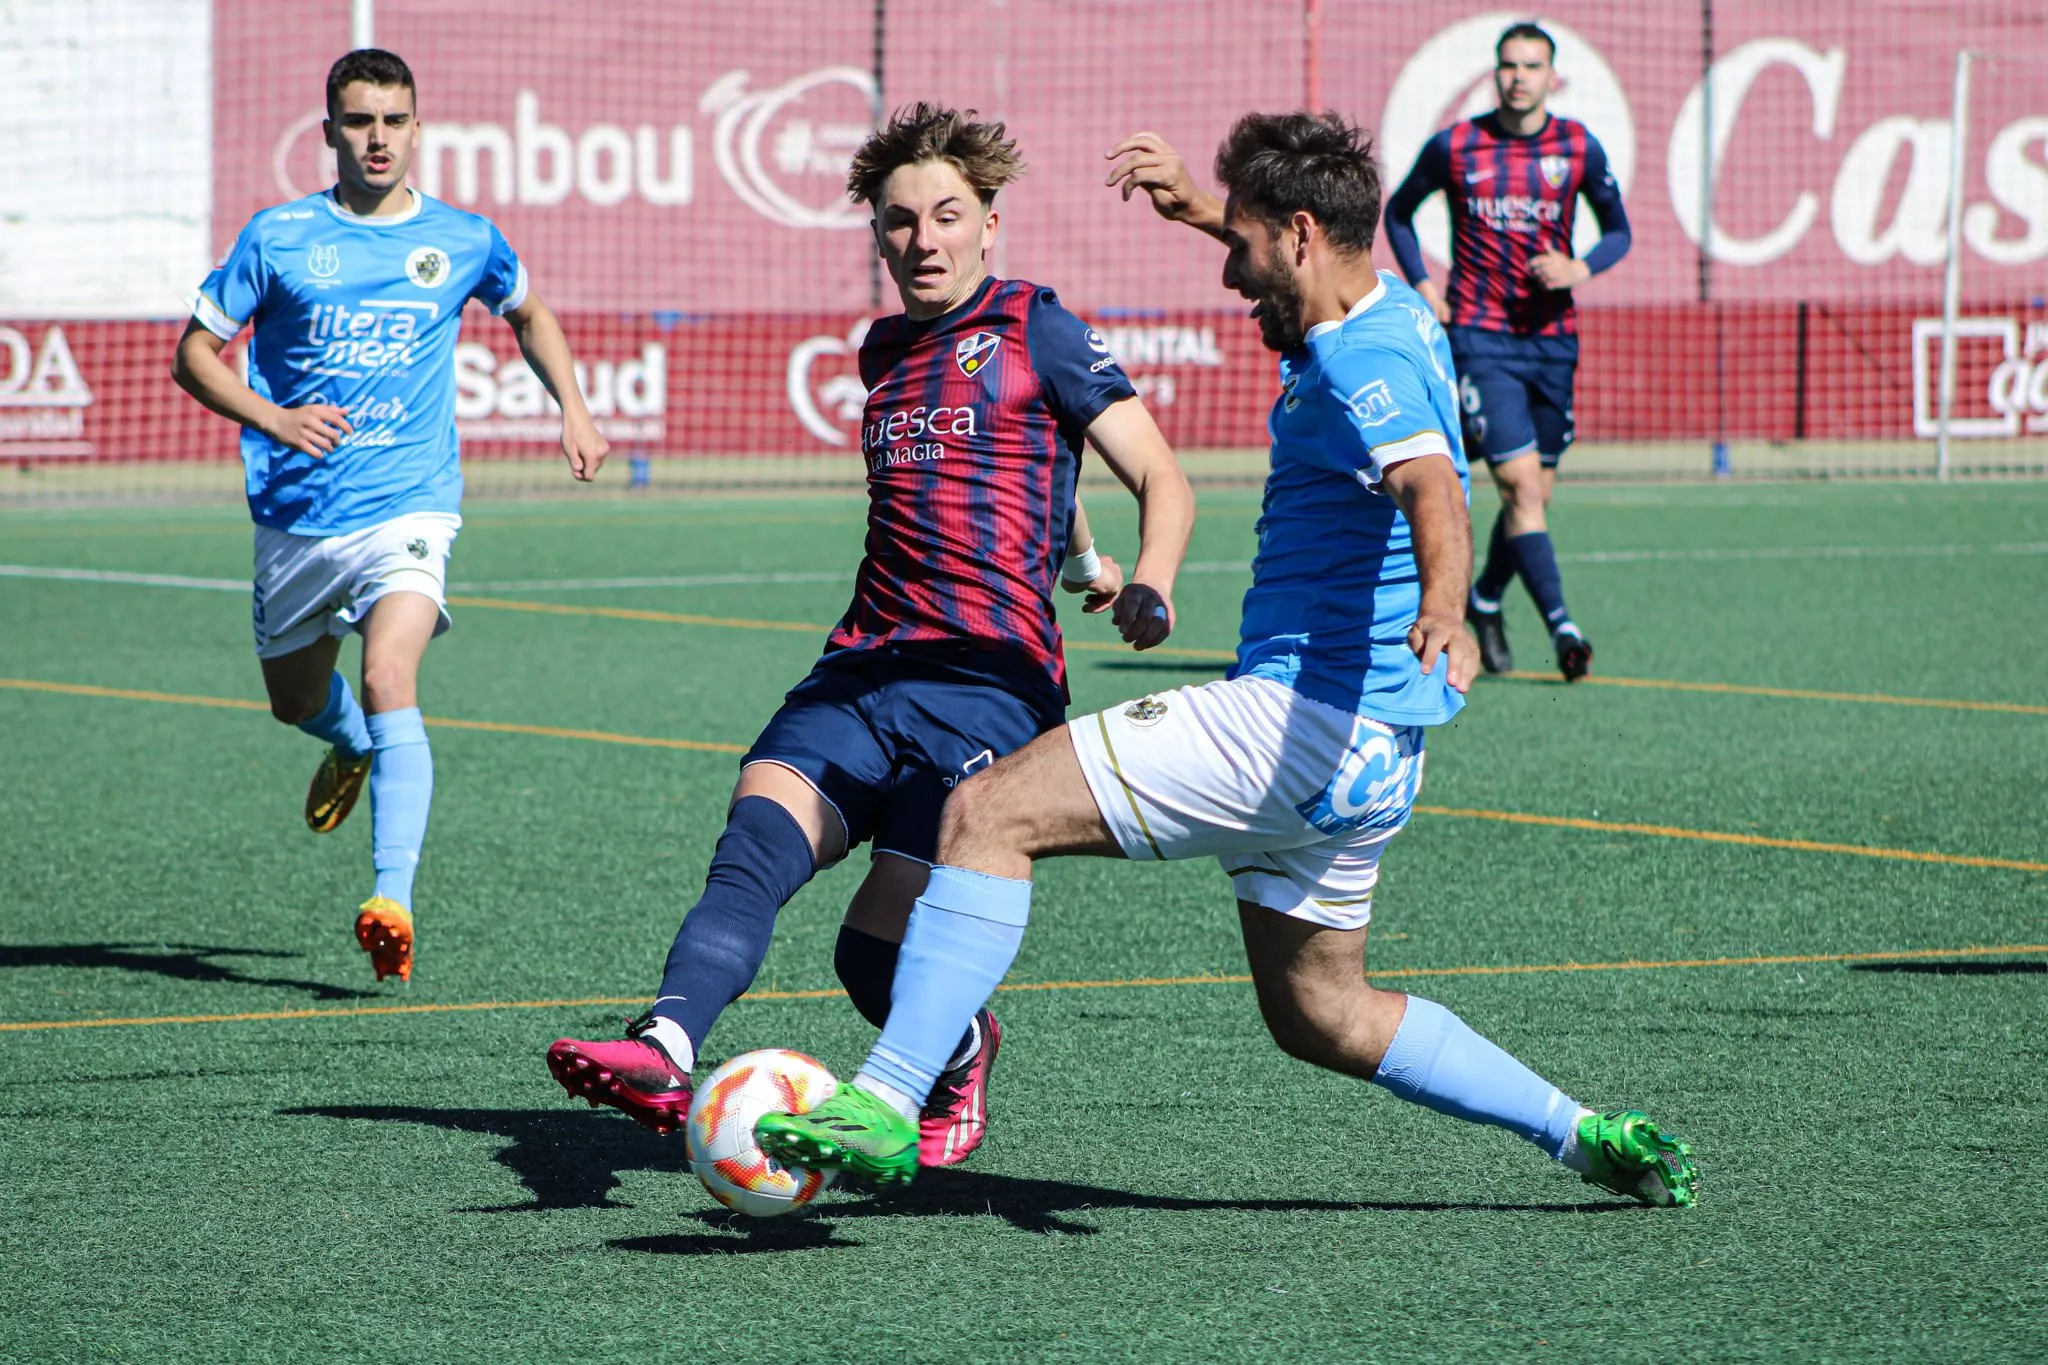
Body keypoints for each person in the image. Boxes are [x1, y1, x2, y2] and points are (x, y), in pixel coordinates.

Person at [756, 112, 1697, 1209]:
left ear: (1298, 236)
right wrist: (1199, 210)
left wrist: (1445, 606)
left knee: (985, 813)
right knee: (1322, 1016)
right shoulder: (1383, 297)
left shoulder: (1363, 352)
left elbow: (1432, 485)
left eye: (1242, 248)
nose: (1231, 277)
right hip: (1377, 758)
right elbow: (1301, 272)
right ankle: (1582, 1133)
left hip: (1296, 720)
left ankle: (886, 1096)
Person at [546, 104, 1195, 1170]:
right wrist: (1080, 557)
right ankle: (663, 1044)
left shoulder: (1037, 323)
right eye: (899, 222)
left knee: (866, 959)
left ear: (990, 222)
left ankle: (957, 1050)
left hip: (988, 686)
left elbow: (1156, 472)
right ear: (877, 236)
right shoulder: (882, 349)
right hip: (860, 665)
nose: (922, 240)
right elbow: (1021, 462)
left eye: (946, 216)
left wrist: (1150, 583)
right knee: (754, 841)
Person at [171, 49, 608, 983]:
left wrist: (572, 405)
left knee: (389, 669)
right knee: (295, 698)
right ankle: (349, 742)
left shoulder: (462, 238)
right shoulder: (279, 237)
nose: (378, 138)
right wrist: (273, 417)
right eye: (360, 121)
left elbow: (529, 314)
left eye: (395, 120)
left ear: (418, 128)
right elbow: (196, 354)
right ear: (328, 131)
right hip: (294, 518)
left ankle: (390, 897)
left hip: (408, 503)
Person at [1382, 21, 1631, 680]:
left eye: (1531, 66)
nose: (1519, 76)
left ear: (1554, 77)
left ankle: (1486, 596)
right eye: (1509, 66)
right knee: (1520, 485)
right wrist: (1425, 286)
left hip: (1553, 342)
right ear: (1496, 75)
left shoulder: (1577, 147)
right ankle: (1564, 628)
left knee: (1535, 495)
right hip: (1479, 338)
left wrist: (1580, 269)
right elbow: (1399, 212)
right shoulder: (1458, 145)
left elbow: (1619, 232)